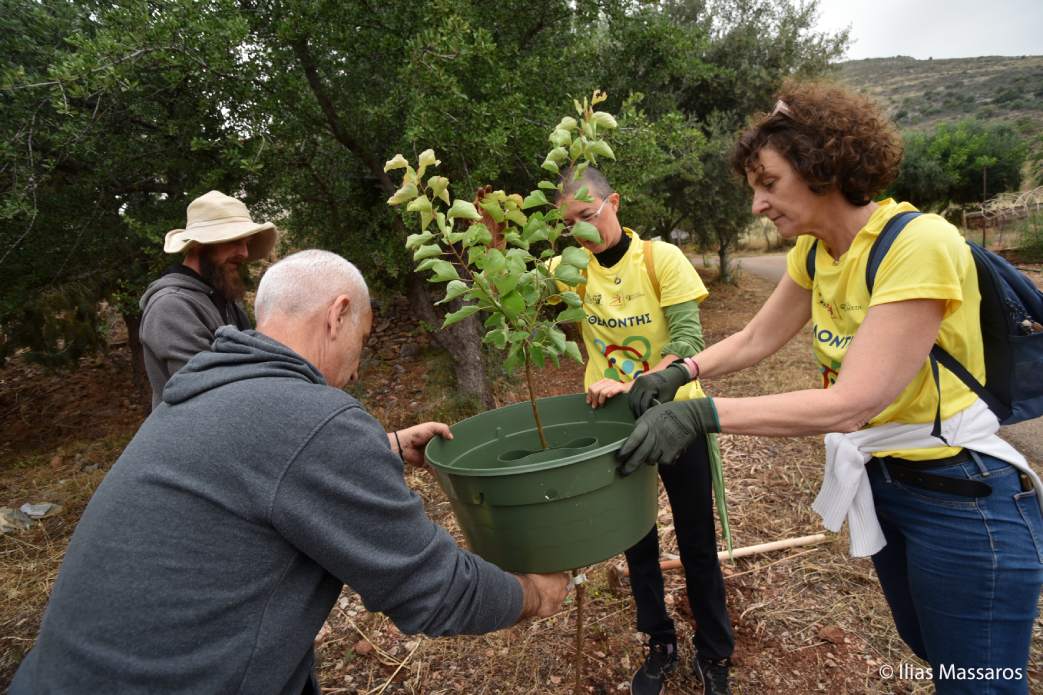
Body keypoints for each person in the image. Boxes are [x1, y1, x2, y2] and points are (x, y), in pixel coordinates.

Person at [621, 82, 1043, 695]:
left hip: (963, 495)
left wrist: (699, 415)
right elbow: (755, 338)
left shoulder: (917, 243)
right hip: (887, 481)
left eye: (769, 183)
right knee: (935, 655)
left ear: (822, 164)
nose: (758, 205)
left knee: (978, 682)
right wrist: (681, 371)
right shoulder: (816, 252)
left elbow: (854, 401)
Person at [11, 249, 570, 695]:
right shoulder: (313, 421)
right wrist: (532, 594)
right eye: (363, 340)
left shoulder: (207, 389)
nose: (357, 367)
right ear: (338, 314)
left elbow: (258, 471)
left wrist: (384, 448)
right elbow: (434, 589)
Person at [553, 168, 734, 695]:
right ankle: (660, 642)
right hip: (615, 425)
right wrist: (498, 238)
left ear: (614, 201)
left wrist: (634, 383)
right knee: (636, 541)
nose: (583, 231)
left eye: (589, 215)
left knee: (697, 541)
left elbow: (688, 340)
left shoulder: (660, 259)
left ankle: (714, 652)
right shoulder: (569, 270)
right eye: (570, 224)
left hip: (679, 417)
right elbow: (509, 288)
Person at [139, 189, 278, 409]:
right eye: (234, 241)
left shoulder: (224, 297)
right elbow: (206, 393)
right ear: (198, 245)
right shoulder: (171, 306)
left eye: (246, 243)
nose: (244, 253)